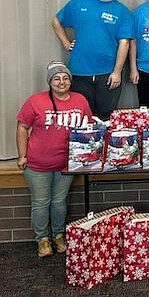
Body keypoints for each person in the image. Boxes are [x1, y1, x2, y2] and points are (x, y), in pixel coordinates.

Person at [16, 61, 92, 257]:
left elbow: (89, 129)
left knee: (59, 202)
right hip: (37, 164)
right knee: (41, 202)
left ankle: (58, 235)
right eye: (57, 78)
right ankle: (42, 239)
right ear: (50, 82)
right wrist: (22, 155)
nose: (61, 82)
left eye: (65, 78)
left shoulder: (80, 100)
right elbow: (22, 126)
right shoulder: (35, 101)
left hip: (66, 164)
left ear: (70, 80)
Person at [51, 0, 134, 120]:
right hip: (79, 72)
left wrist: (117, 72)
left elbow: (125, 44)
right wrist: (65, 43)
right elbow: (56, 21)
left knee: (106, 117)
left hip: (108, 74)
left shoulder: (121, 11)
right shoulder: (78, 3)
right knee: (83, 117)